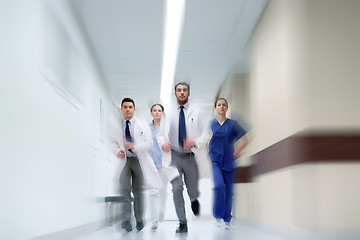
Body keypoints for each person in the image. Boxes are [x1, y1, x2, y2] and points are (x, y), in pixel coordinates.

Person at [160, 82, 209, 233]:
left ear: (188, 93)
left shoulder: (197, 111)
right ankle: (182, 222)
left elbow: (207, 133)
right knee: (177, 188)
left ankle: (194, 199)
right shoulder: (168, 112)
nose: (182, 93)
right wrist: (163, 143)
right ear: (175, 93)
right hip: (173, 156)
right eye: (179, 90)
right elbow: (161, 133)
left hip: (190, 156)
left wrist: (195, 142)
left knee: (192, 190)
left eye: (184, 90)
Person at [112, 98, 162, 232]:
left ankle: (139, 219)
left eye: (130, 107)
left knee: (138, 191)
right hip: (125, 161)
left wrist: (135, 146)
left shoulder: (142, 125)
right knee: (124, 190)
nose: (128, 109)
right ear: (122, 109)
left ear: (134, 109)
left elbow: (149, 143)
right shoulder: (117, 126)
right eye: (125, 107)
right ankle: (126, 220)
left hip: (139, 161)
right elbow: (113, 143)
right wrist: (118, 151)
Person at [208, 98, 248, 229]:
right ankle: (217, 215)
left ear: (227, 107)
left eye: (224, 105)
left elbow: (245, 140)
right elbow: (203, 139)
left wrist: (239, 151)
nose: (221, 107)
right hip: (215, 161)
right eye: (219, 105)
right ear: (215, 108)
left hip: (229, 161)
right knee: (219, 186)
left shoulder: (232, 124)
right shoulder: (211, 124)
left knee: (229, 191)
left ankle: (227, 218)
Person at [147, 103, 179, 230]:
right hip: (152, 164)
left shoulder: (167, 128)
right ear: (151, 113)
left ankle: (161, 212)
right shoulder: (147, 128)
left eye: (159, 110)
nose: (157, 112)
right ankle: (154, 220)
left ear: (162, 113)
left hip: (165, 164)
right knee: (153, 191)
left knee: (163, 192)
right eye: (154, 110)